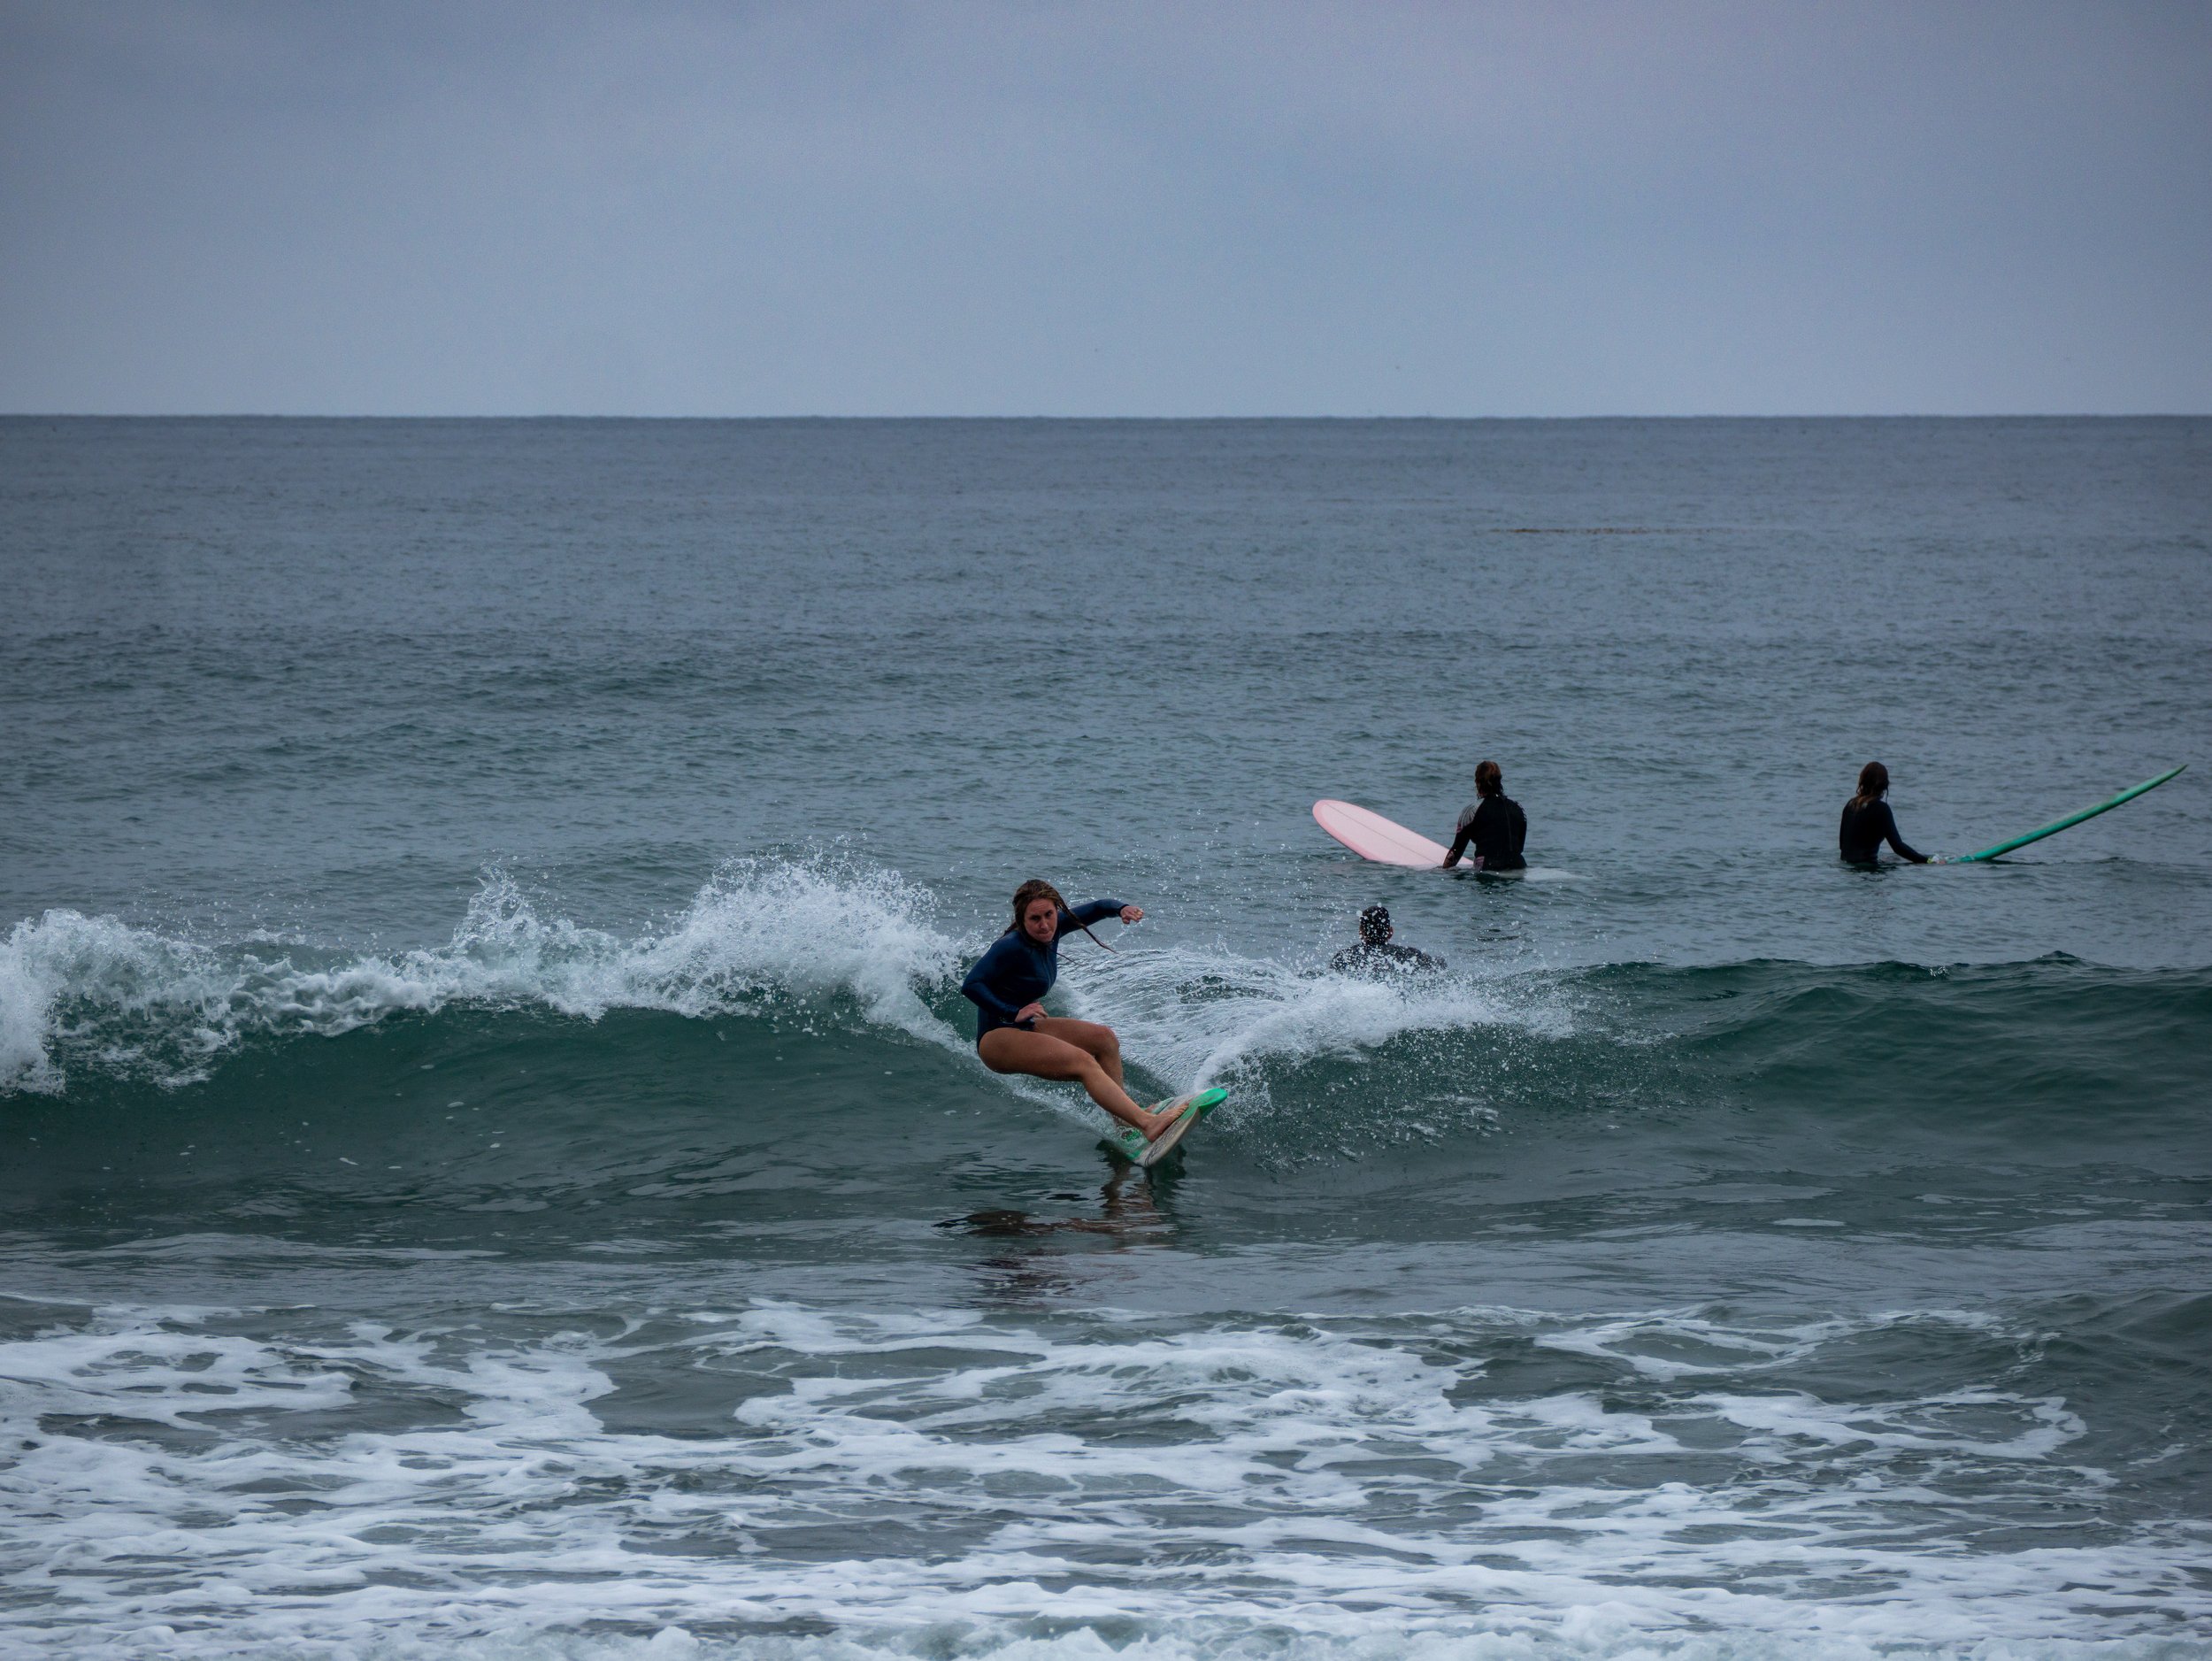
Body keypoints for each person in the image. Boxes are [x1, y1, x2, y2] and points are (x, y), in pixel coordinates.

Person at [961, 880, 1183, 1141]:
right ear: (1022, 920)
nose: (1044, 925)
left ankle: (1125, 1125)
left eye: (1049, 915)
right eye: (1035, 919)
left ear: (1057, 911)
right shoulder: (1010, 946)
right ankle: (1147, 1124)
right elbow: (971, 984)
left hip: (1023, 1027)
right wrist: (1011, 1012)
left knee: (1104, 1039)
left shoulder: (1053, 931)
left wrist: (1122, 908)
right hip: (996, 1038)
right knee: (1083, 1062)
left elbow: (1099, 907)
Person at [1443, 759, 1527, 871]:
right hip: (1519, 867)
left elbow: (1456, 852)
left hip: (1488, 868)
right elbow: (1519, 848)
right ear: (1500, 781)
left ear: (1477, 782)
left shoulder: (1472, 811)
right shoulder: (1519, 809)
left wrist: (1442, 871)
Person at [1839, 761, 1930, 864]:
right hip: (1868, 872)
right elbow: (1898, 847)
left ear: (1862, 780)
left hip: (1848, 870)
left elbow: (1842, 845)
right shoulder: (1881, 809)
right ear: (1885, 785)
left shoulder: (1850, 805)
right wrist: (1927, 861)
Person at [1330, 905, 1444, 975]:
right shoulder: (1409, 954)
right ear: (1390, 932)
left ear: (1361, 932)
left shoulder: (1344, 957)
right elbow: (1439, 965)